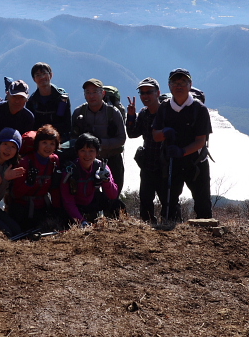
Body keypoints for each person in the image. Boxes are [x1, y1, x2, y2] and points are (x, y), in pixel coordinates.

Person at [152, 68, 212, 221]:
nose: (179, 86)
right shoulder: (164, 108)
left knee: (202, 203)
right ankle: (171, 236)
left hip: (196, 163)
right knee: (170, 203)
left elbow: (200, 141)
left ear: (190, 85)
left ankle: (206, 237)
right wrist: (165, 132)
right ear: (169, 85)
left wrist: (181, 151)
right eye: (175, 82)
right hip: (172, 162)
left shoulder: (200, 110)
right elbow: (155, 135)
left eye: (183, 82)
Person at [72, 78, 126, 193]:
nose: (91, 96)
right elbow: (72, 138)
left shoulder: (113, 113)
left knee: (113, 193)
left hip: (112, 158)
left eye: (95, 92)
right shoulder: (79, 112)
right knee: (87, 194)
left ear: (103, 93)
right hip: (87, 162)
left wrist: (98, 143)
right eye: (88, 92)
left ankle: (113, 211)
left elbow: (121, 139)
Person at [126, 77, 166, 224]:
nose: (145, 96)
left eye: (149, 92)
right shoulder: (143, 113)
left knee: (168, 201)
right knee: (145, 200)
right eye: (142, 93)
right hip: (148, 164)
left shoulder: (167, 112)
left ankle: (171, 226)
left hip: (165, 165)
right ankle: (148, 227)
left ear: (158, 93)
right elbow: (132, 134)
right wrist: (131, 115)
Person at [8, 124, 62, 231]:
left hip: (42, 207)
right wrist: (28, 184)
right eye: (44, 143)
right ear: (37, 144)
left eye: (52, 143)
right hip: (22, 208)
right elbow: (16, 193)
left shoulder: (54, 161)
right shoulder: (25, 162)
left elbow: (54, 189)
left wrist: (57, 209)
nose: (48, 147)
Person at [60, 133, 119, 226]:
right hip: (74, 208)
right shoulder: (69, 171)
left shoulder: (102, 167)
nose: (87, 155)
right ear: (77, 152)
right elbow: (68, 201)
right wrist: (81, 221)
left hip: (92, 204)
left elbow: (113, 195)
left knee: (118, 205)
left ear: (97, 152)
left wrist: (106, 181)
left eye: (91, 151)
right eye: (83, 150)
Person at [26, 63, 71, 141]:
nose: (42, 77)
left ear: (51, 75)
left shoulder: (62, 98)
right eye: (38, 75)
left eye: (44, 73)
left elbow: (67, 124)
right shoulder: (32, 101)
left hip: (59, 139)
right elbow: (30, 126)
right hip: (39, 139)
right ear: (34, 79)